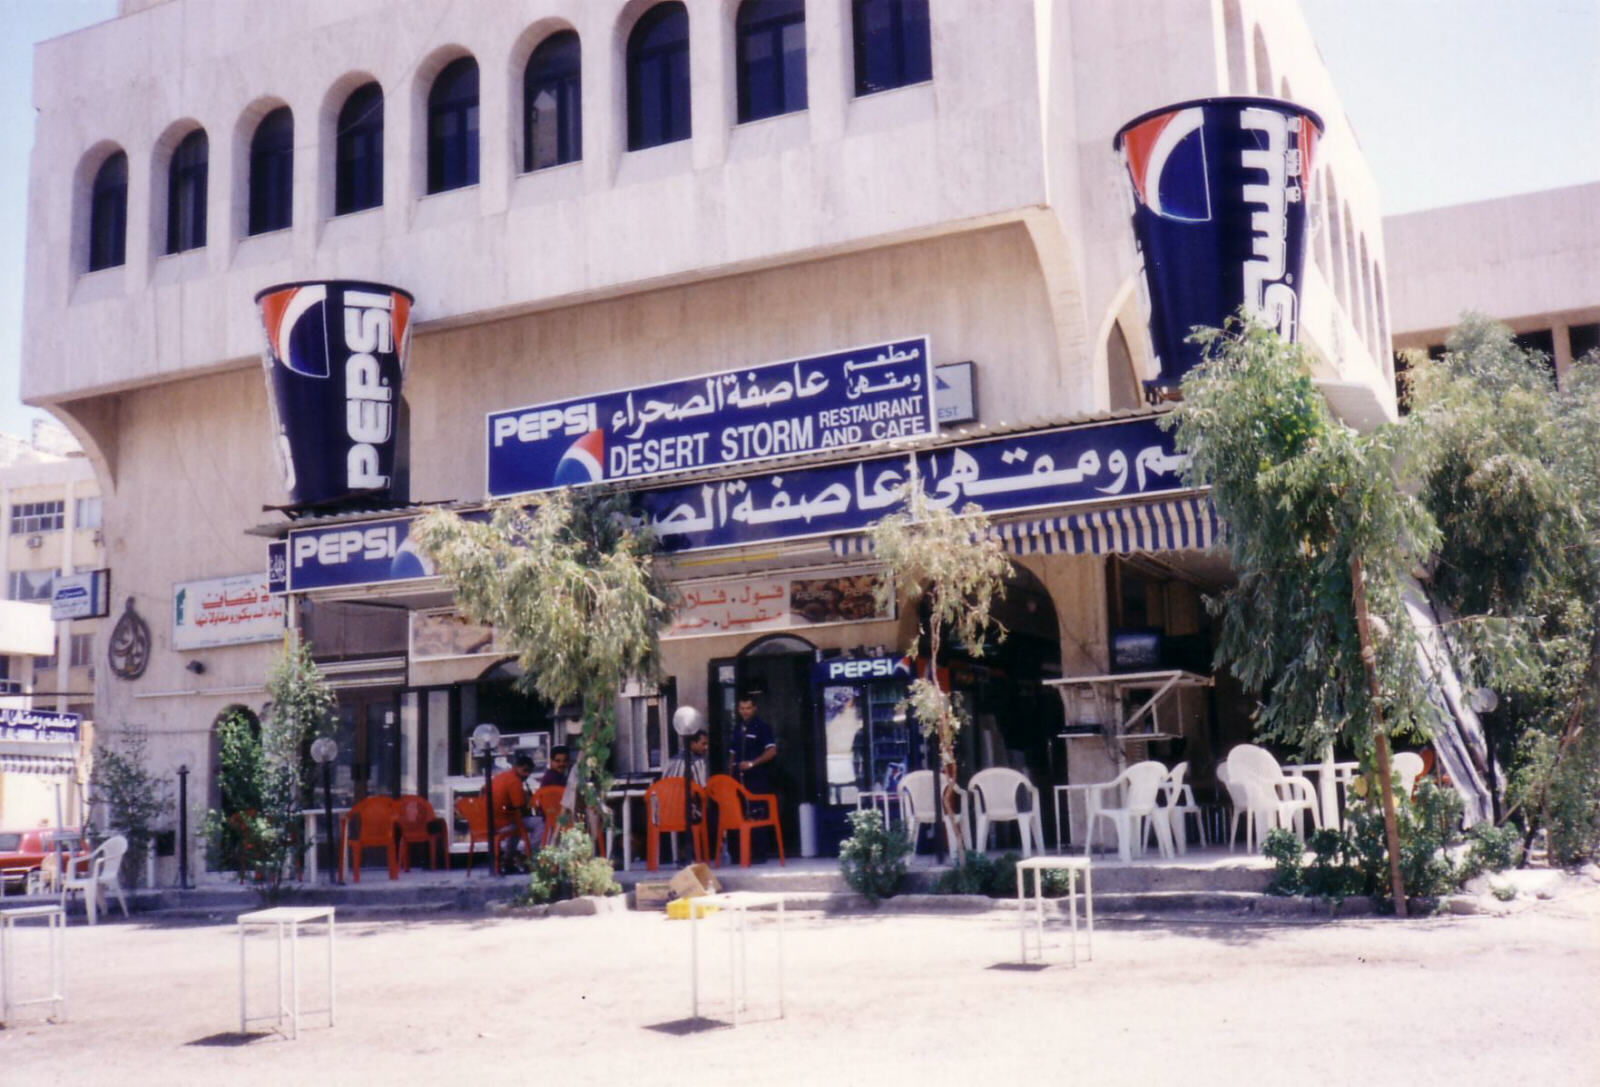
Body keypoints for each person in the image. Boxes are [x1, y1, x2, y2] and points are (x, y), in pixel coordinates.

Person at [729, 692, 778, 862]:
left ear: (755, 708)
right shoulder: (737, 728)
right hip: (738, 780)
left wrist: (753, 763)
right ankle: (740, 856)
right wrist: (730, 777)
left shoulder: (762, 727)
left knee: (757, 814)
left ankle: (758, 856)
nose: (745, 712)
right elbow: (732, 755)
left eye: (748, 708)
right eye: (742, 708)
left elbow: (772, 751)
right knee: (740, 814)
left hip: (757, 778)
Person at [489, 754, 539, 870]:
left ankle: (508, 859)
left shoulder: (500, 777)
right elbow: (520, 807)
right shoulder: (514, 781)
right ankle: (531, 856)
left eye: (529, 772)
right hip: (503, 822)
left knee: (517, 823)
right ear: (516, 767)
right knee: (540, 822)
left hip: (491, 820)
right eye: (525, 771)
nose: (527, 775)